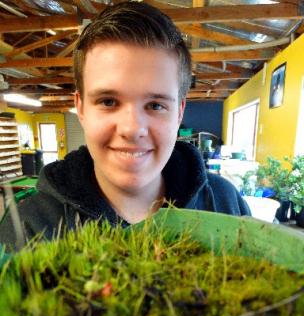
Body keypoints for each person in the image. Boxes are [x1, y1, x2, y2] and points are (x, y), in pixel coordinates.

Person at [0, 1, 250, 251]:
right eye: (108, 102)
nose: (132, 129)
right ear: (82, 108)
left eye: (155, 105)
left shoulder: (225, 204)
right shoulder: (27, 227)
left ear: (179, 113)